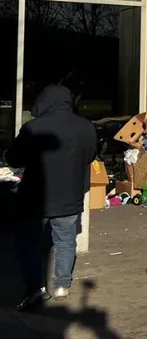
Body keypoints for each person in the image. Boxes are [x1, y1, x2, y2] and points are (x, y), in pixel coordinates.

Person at [8, 85, 98, 311]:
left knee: (29, 243)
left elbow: (14, 159)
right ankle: (61, 285)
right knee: (66, 240)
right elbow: (90, 157)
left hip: (35, 198)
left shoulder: (33, 128)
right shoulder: (85, 127)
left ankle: (35, 288)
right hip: (70, 197)